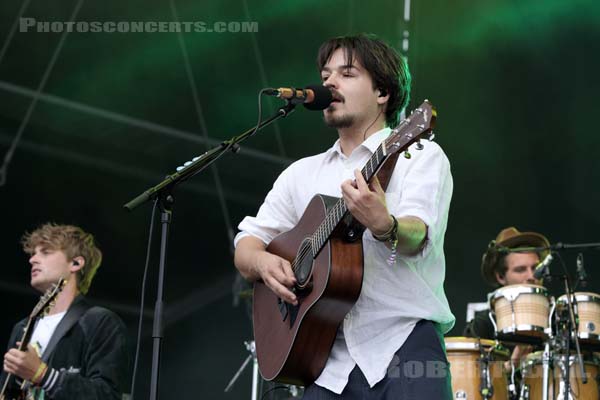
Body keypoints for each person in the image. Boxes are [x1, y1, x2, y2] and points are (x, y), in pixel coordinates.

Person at [234, 34, 454, 399]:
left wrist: (385, 225)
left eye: (347, 73)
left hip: (404, 349)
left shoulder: (420, 155)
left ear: (382, 92)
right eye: (325, 76)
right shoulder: (301, 173)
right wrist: (262, 263)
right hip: (325, 363)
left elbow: (417, 236)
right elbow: (246, 245)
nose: (329, 83)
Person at [0, 223, 131, 400]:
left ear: (76, 263)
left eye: (45, 252)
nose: (32, 260)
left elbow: (107, 395)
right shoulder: (21, 328)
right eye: (33, 254)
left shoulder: (99, 322)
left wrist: (42, 374)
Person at [464, 226, 550, 376]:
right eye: (520, 269)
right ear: (500, 277)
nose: (531, 276)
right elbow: (470, 382)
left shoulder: (557, 319)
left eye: (536, 268)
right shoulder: (483, 325)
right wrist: (513, 364)